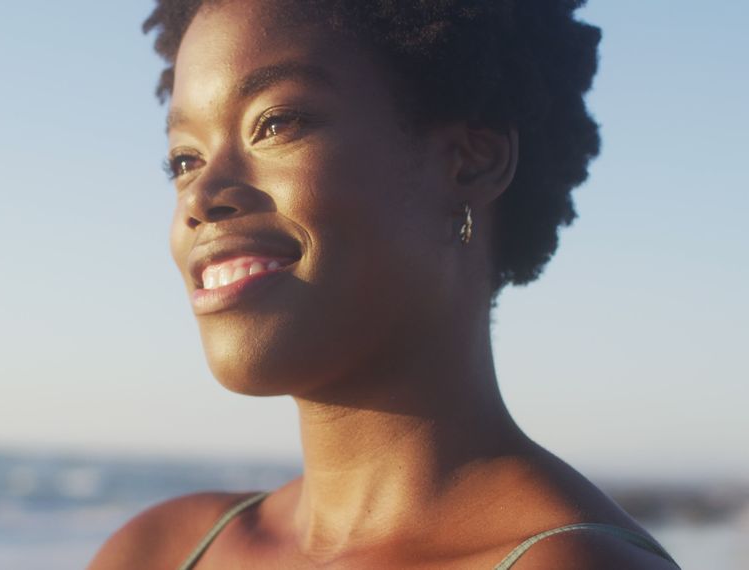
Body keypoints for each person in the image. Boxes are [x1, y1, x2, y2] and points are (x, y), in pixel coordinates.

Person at [91, 0, 680, 568]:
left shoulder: (572, 563)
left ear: (469, 162)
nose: (199, 196)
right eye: (184, 160)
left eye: (274, 123)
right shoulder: (158, 552)